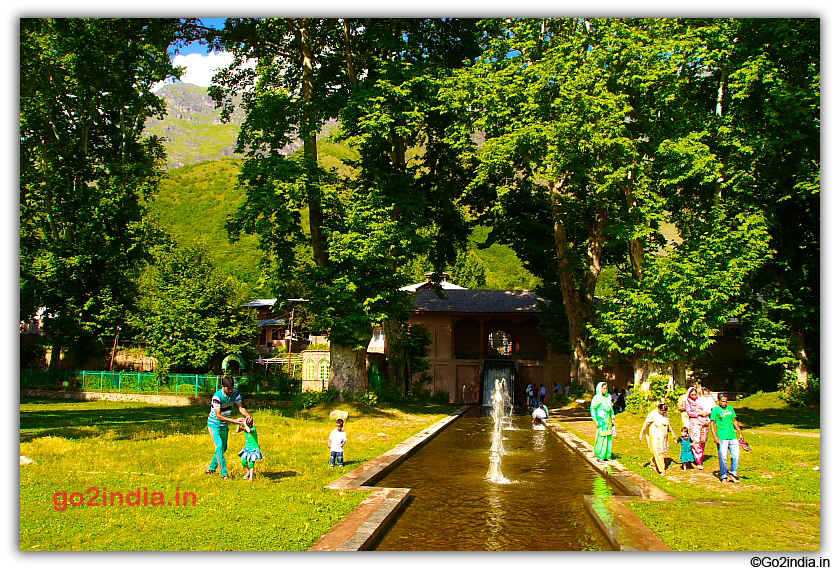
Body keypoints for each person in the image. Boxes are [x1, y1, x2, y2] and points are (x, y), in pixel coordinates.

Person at [206, 375, 252, 480]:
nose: (231, 390)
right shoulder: (217, 397)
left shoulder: (235, 393)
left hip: (224, 425)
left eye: (232, 387)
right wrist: (234, 421)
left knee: (223, 448)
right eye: (229, 388)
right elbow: (218, 415)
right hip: (214, 425)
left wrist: (247, 415)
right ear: (223, 386)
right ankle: (224, 473)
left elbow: (241, 407)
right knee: (219, 446)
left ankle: (211, 469)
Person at [710, 393, 745, 483]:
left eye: (726, 401)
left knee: (736, 456)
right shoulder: (716, 410)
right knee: (723, 457)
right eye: (723, 401)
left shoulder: (730, 408)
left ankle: (733, 473)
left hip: (732, 436)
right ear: (719, 401)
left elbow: (734, 420)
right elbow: (712, 423)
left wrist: (740, 433)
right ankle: (724, 475)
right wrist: (715, 436)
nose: (725, 403)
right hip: (722, 437)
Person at [639, 402, 674, 474]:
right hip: (655, 436)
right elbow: (646, 424)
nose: (663, 413)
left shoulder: (665, 414)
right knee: (659, 452)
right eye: (662, 411)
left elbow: (668, 424)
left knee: (661, 452)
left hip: (663, 437)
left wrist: (672, 432)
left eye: (665, 412)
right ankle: (662, 470)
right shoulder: (653, 414)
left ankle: (653, 464)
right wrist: (642, 433)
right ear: (658, 409)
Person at [684, 386, 711, 469]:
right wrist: (699, 414)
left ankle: (700, 457)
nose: (693, 396)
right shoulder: (688, 402)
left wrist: (706, 414)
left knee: (703, 440)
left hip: (704, 422)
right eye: (691, 395)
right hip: (694, 423)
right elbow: (689, 412)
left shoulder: (701, 400)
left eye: (695, 394)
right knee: (696, 441)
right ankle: (698, 461)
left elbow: (708, 408)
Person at [590, 382, 616, 462]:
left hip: (608, 420)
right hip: (601, 420)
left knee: (609, 437)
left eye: (606, 388)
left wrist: (613, 418)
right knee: (602, 437)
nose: (605, 390)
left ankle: (608, 455)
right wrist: (595, 420)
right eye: (604, 388)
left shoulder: (608, 397)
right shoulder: (596, 398)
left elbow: (611, 409)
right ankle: (600, 455)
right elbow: (593, 409)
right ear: (600, 389)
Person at [236, 416, 264, 482]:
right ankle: (248, 472)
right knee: (243, 461)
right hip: (247, 448)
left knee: (251, 463)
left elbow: (249, 430)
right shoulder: (245, 429)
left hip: (253, 449)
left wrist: (245, 424)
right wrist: (239, 424)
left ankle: (251, 478)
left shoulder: (253, 429)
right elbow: (237, 431)